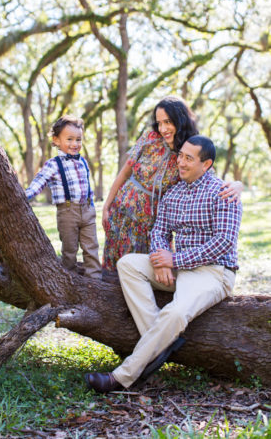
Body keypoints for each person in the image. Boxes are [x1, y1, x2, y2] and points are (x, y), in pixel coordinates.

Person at [85, 135, 242, 392]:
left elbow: (223, 243)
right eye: (180, 155)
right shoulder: (174, 192)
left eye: (188, 158)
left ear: (207, 164)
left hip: (213, 272)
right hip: (177, 268)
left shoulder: (223, 193)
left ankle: (121, 378)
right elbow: (159, 231)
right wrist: (161, 260)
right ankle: (160, 343)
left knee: (176, 312)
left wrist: (175, 259)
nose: (180, 162)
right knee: (128, 264)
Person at [102, 96, 241, 275]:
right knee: (113, 267)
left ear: (180, 119)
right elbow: (125, 171)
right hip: (122, 210)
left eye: (168, 122)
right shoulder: (150, 138)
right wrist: (107, 204)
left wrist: (237, 185)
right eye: (159, 123)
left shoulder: (190, 147)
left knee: (143, 270)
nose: (163, 128)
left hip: (151, 222)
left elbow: (208, 173)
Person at [25, 115, 102, 280]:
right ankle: (70, 278)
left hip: (88, 210)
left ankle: (94, 279)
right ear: (56, 140)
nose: (75, 144)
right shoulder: (53, 164)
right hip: (67, 212)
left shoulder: (83, 162)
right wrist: (25, 196)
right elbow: (39, 182)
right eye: (70, 139)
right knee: (69, 249)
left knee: (91, 247)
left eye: (78, 139)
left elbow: (86, 186)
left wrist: (91, 205)